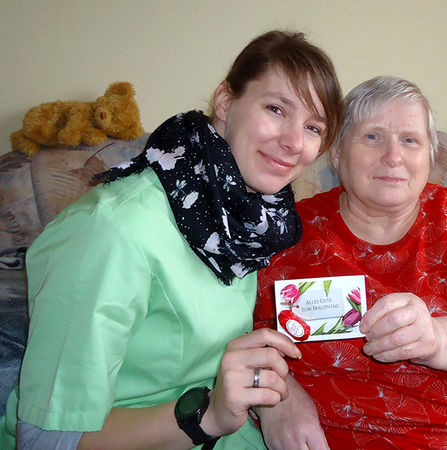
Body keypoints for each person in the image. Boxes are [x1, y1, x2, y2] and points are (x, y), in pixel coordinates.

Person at [0, 30, 342, 449]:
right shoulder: (112, 230)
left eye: (313, 127)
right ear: (225, 99)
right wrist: (207, 416)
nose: (293, 142)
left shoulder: (252, 221)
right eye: (276, 108)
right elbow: (43, 439)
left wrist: (278, 401)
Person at [255, 75, 447, 449]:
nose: (393, 156)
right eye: (372, 137)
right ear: (336, 151)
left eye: (410, 140)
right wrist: (277, 395)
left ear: (429, 156)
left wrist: (437, 339)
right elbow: (238, 333)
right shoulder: (287, 233)